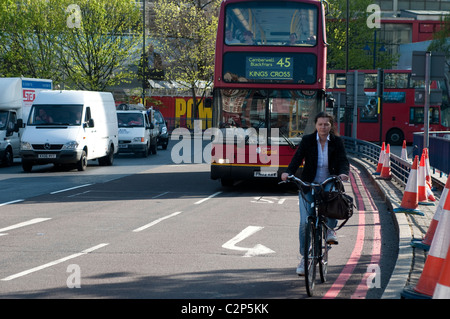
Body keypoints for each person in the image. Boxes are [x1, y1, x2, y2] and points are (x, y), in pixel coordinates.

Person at [281, 111, 349, 275]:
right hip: (309, 184)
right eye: (320, 124)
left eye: (326, 124)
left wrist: (343, 173)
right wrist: (288, 173)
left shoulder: (337, 142)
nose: (323, 127)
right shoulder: (308, 141)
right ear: (315, 125)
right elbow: (297, 158)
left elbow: (343, 161)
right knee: (305, 222)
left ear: (331, 125)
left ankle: (330, 231)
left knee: (332, 195)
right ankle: (305, 258)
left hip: (328, 182)